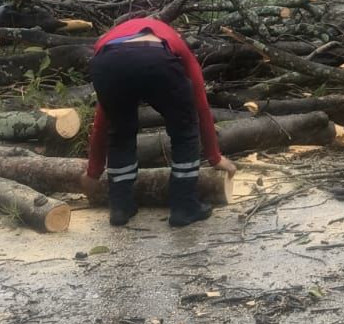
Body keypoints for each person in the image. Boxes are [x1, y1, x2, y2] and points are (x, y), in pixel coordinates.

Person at [86, 17, 235, 227]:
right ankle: (184, 207)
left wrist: (94, 170)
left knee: (119, 132)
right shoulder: (172, 38)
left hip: (106, 64)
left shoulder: (110, 41)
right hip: (155, 59)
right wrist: (214, 157)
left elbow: (102, 120)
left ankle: (120, 207)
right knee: (185, 129)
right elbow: (200, 104)